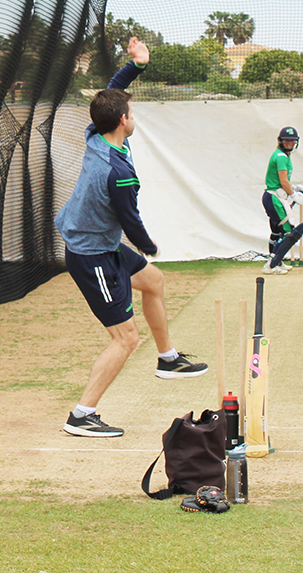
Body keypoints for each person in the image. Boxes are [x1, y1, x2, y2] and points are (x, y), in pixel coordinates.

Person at [55, 37, 209, 438]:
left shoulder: (97, 134)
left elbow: (112, 93)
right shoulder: (118, 171)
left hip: (101, 245)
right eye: (131, 111)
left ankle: (168, 358)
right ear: (123, 121)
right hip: (92, 256)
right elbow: (130, 219)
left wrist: (137, 65)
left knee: (153, 281)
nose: (131, 114)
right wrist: (151, 246)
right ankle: (82, 414)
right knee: (124, 339)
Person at [261, 126, 303, 275]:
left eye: (292, 140)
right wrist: (294, 194)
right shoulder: (281, 157)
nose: (289, 143)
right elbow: (283, 182)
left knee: (276, 232)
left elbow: (281, 181)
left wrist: (294, 187)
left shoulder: (281, 155)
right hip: (274, 198)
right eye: (286, 140)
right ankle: (271, 265)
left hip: (272, 196)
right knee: (288, 231)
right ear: (280, 141)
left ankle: (277, 261)